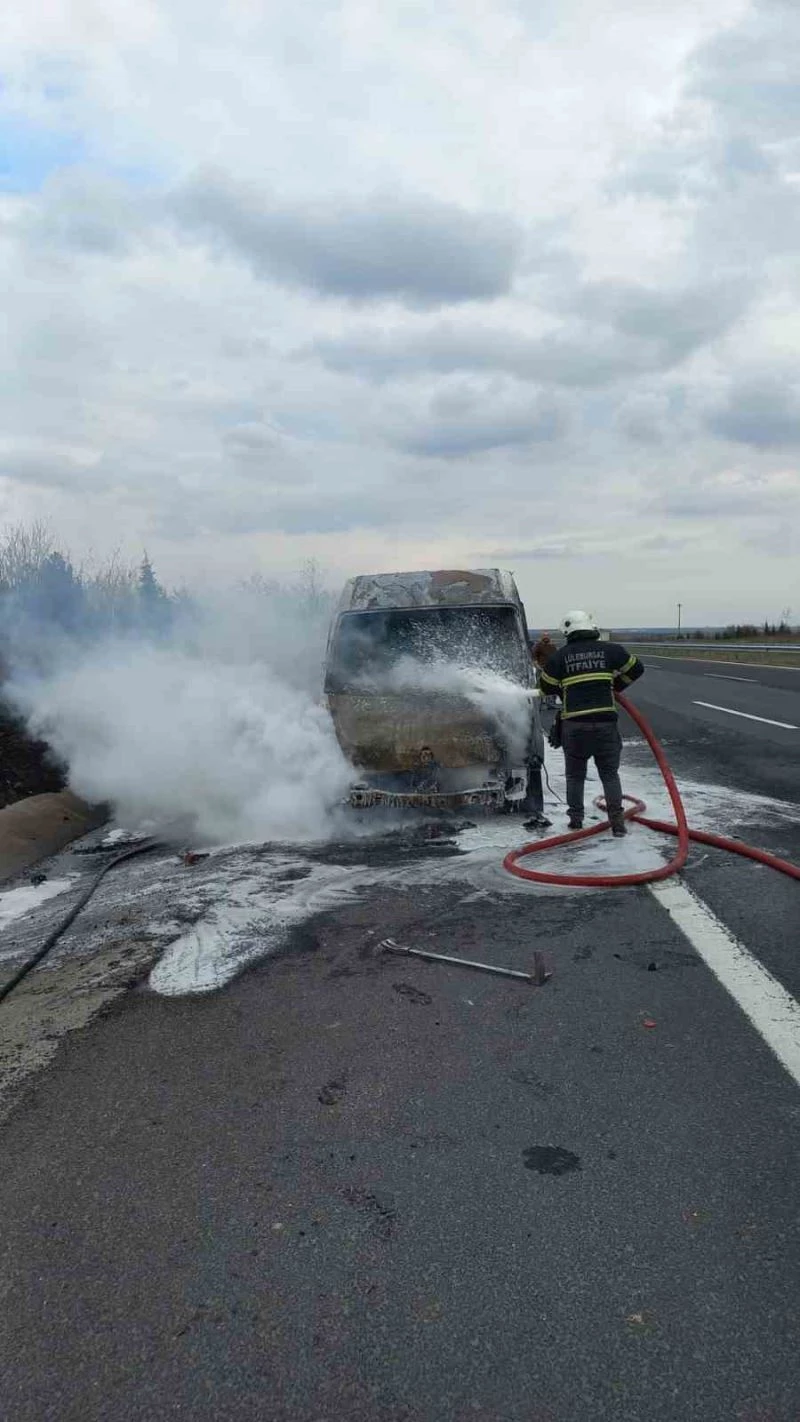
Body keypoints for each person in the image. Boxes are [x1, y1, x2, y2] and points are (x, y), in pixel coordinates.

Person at [540, 611, 644, 837]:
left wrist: (565, 688)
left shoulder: (560, 656)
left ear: (568, 632)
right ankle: (618, 825)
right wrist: (616, 686)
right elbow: (636, 668)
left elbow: (546, 686)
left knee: (575, 777)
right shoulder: (610, 651)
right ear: (591, 627)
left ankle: (576, 822)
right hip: (606, 725)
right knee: (610, 775)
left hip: (575, 727)